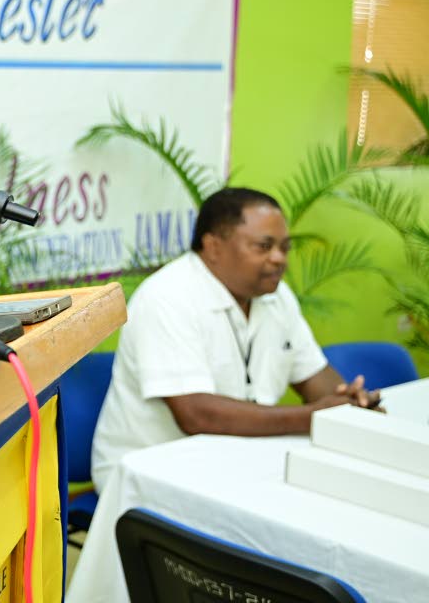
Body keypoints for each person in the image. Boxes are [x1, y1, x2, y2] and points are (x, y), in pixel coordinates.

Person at [89, 187, 380, 493]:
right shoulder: (166, 297)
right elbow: (196, 414)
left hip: (240, 459)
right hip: (152, 471)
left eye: (284, 247)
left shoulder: (276, 297)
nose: (279, 259)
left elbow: (313, 376)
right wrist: (310, 418)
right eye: (264, 246)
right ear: (213, 247)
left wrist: (348, 402)